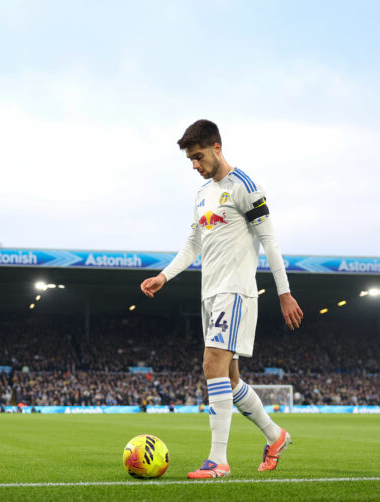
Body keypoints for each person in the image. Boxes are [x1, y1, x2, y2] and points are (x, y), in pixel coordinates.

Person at [140, 119, 304, 479]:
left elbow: (270, 241)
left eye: (198, 156)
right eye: (190, 160)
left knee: (211, 364)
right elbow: (192, 245)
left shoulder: (245, 187)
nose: (195, 165)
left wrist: (284, 292)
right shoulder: (201, 195)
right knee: (228, 381)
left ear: (217, 146)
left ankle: (218, 460)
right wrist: (164, 276)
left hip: (236, 291)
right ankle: (276, 437)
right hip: (210, 294)